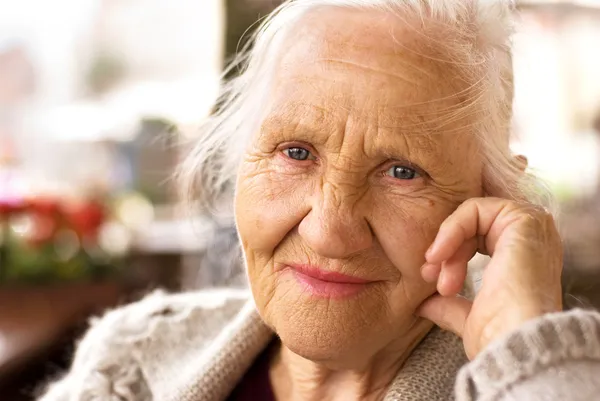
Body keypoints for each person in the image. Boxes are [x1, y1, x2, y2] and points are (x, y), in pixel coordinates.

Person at [39, 1, 600, 400]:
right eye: (296, 152)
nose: (330, 230)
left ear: (493, 198)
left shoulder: (558, 382)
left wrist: (525, 351)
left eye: (403, 171)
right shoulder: (132, 362)